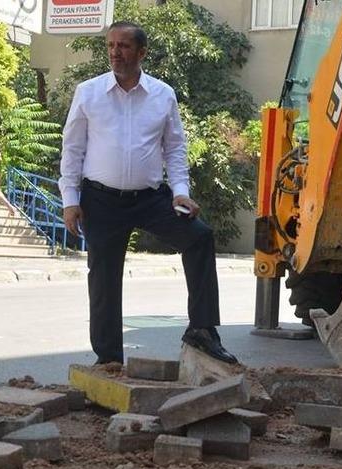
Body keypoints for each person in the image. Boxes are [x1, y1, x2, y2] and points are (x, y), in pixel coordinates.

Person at [59, 21, 238, 365]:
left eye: (124, 46)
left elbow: (174, 148)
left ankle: (202, 330)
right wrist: (70, 201)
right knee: (104, 278)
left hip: (151, 198)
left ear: (141, 53)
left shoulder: (162, 94)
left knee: (199, 238)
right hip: (100, 199)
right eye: (111, 45)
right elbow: (73, 150)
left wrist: (181, 192)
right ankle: (109, 358)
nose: (115, 53)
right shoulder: (89, 92)